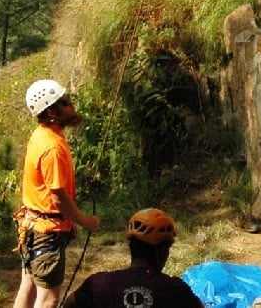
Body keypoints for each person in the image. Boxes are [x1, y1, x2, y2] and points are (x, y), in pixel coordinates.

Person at [13, 79, 100, 308]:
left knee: (29, 287)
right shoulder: (53, 147)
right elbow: (58, 198)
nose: (72, 106)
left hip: (33, 228)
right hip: (47, 232)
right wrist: (84, 221)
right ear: (51, 111)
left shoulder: (41, 134)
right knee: (48, 300)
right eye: (66, 102)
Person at [62, 208, 205, 308]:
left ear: (131, 246)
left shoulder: (98, 284)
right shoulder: (176, 290)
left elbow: (68, 305)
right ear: (162, 251)